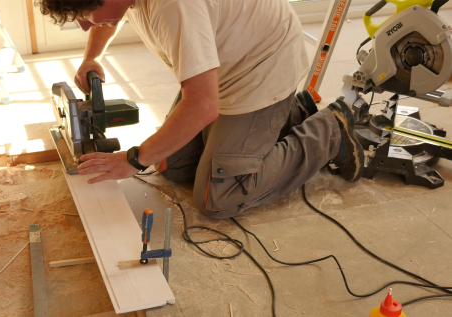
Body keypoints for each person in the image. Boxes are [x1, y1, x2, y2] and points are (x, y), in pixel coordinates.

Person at [37, 0, 365, 219]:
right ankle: (288, 115)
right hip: (223, 64)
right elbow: (108, 13)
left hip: (260, 65)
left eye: (85, 13)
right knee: (173, 166)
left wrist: (132, 159)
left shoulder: (172, 6)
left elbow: (202, 106)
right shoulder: (118, 2)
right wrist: (91, 56)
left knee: (218, 198)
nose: (84, 25)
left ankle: (330, 130)